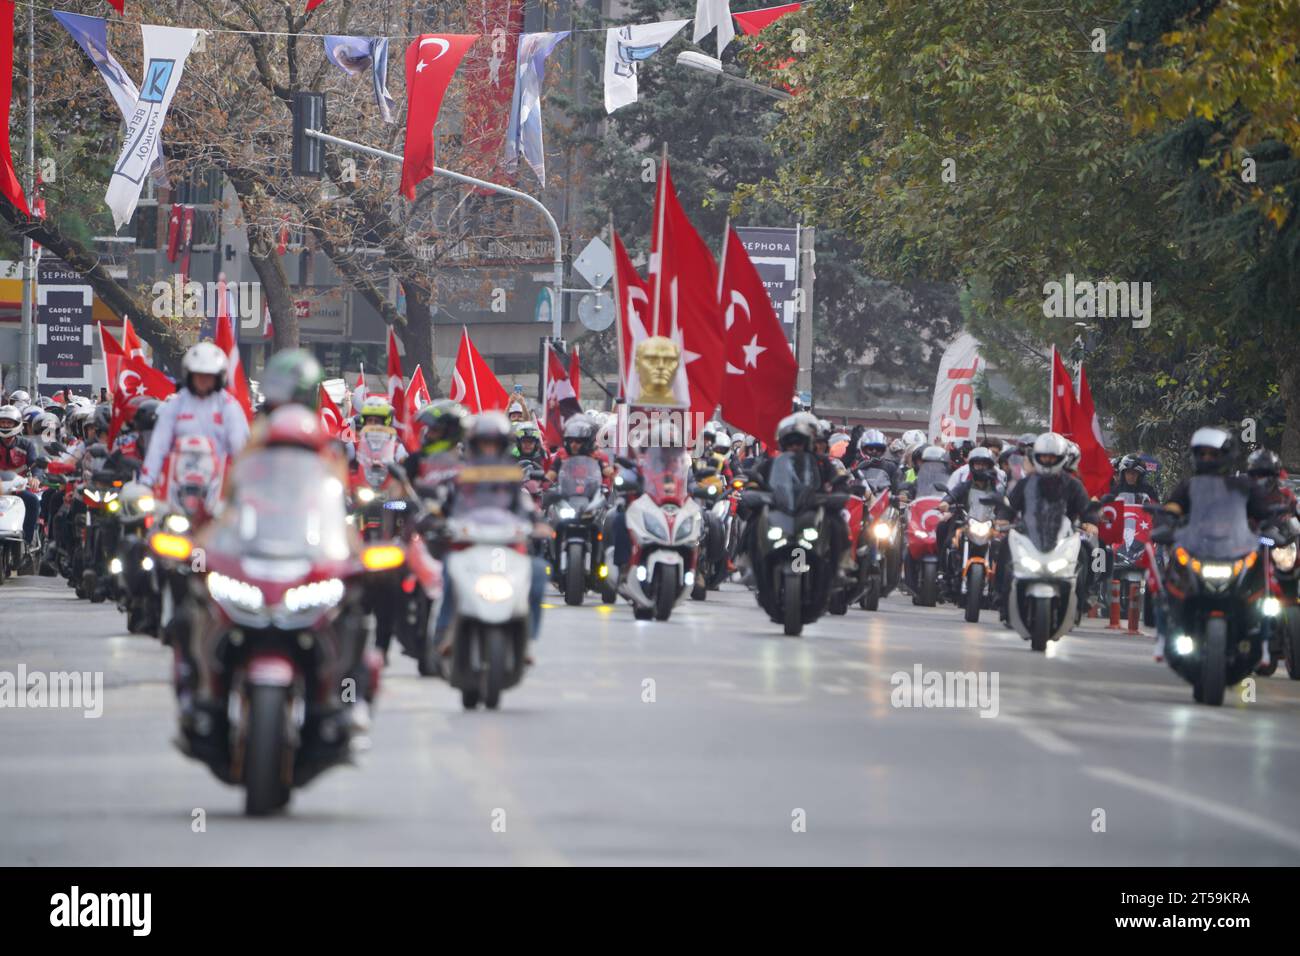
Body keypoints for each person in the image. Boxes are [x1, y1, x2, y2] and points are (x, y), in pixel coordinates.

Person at [430, 412, 547, 659]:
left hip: (506, 545)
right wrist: (437, 518)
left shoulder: (513, 475)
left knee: (538, 572)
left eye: (494, 443)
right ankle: (444, 631)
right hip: (470, 544)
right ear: (474, 444)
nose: (489, 449)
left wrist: (537, 523)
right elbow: (446, 506)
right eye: (484, 443)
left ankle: (527, 639)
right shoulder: (460, 474)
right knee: (449, 570)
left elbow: (524, 506)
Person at [995, 432, 1099, 622]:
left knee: (1087, 550)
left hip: (1063, 537)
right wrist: (1002, 518)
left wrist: (1090, 521)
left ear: (1061, 459)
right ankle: (1001, 596)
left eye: (1052, 457)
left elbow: (1086, 508)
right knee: (1004, 546)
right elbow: (1010, 505)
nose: (1048, 460)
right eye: (1044, 456)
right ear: (1037, 457)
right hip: (1029, 534)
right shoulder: (1026, 483)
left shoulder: (1073, 485)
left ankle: (1084, 597)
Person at [142, 342, 250, 485]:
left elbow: (239, 447)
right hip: (176, 485)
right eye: (198, 374)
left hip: (217, 486)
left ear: (218, 377)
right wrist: (147, 481)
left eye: (209, 375)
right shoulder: (176, 404)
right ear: (190, 375)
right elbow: (159, 445)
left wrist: (244, 484)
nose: (203, 380)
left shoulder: (229, 406)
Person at [0, 404, 42, 545]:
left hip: (18, 489)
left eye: (9, 422)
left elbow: (36, 465)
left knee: (33, 501)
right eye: (3, 422)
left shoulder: (27, 444)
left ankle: (27, 541)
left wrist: (35, 478)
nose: (5, 425)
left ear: (17, 424)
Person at [545, 415, 612, 485]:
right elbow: (551, 474)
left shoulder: (597, 456)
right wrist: (543, 483)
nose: (573, 445)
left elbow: (608, 471)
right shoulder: (562, 454)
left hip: (592, 493)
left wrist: (615, 474)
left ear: (587, 442)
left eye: (578, 441)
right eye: (570, 440)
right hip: (566, 493)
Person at [855, 429, 901, 494]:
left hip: (883, 502)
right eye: (871, 448)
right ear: (864, 449)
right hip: (862, 501)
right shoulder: (858, 466)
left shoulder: (891, 467)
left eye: (878, 449)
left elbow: (896, 491)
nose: (874, 451)